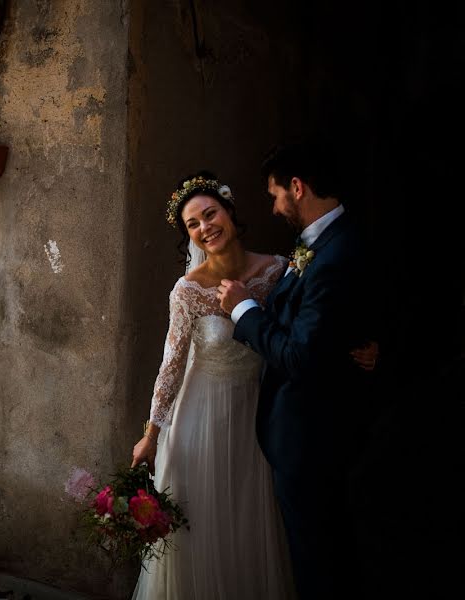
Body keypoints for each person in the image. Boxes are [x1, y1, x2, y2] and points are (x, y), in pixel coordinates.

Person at [130, 170, 376, 600]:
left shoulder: (279, 269)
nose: (205, 227)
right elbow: (170, 366)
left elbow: (306, 337)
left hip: (260, 417)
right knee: (205, 526)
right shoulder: (186, 291)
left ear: (229, 212)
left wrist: (364, 347)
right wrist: (151, 435)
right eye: (193, 224)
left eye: (211, 214)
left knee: (249, 524)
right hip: (201, 418)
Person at [218, 141, 376, 599]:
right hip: (311, 431)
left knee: (317, 561)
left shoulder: (335, 254)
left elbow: (299, 357)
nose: (273, 206)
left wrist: (244, 310)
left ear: (298, 187)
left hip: (312, 437)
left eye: (276, 195)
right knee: (323, 552)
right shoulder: (323, 241)